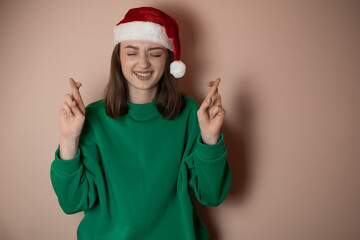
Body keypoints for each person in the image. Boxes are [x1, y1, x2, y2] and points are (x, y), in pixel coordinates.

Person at [50, 6, 231, 240]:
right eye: (131, 52)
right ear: (119, 58)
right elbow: (71, 203)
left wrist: (210, 139)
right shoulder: (92, 118)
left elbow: (212, 196)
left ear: (168, 60)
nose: (143, 63)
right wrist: (68, 139)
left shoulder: (190, 114)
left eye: (155, 53)